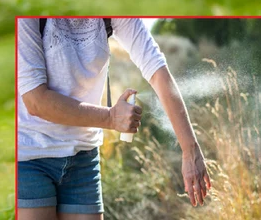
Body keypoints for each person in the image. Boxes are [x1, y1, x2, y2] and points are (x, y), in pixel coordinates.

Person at [17, 18, 211, 220]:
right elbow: (36, 101)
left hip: (83, 157)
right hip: (30, 155)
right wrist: (110, 118)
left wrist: (190, 150)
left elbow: (157, 71)